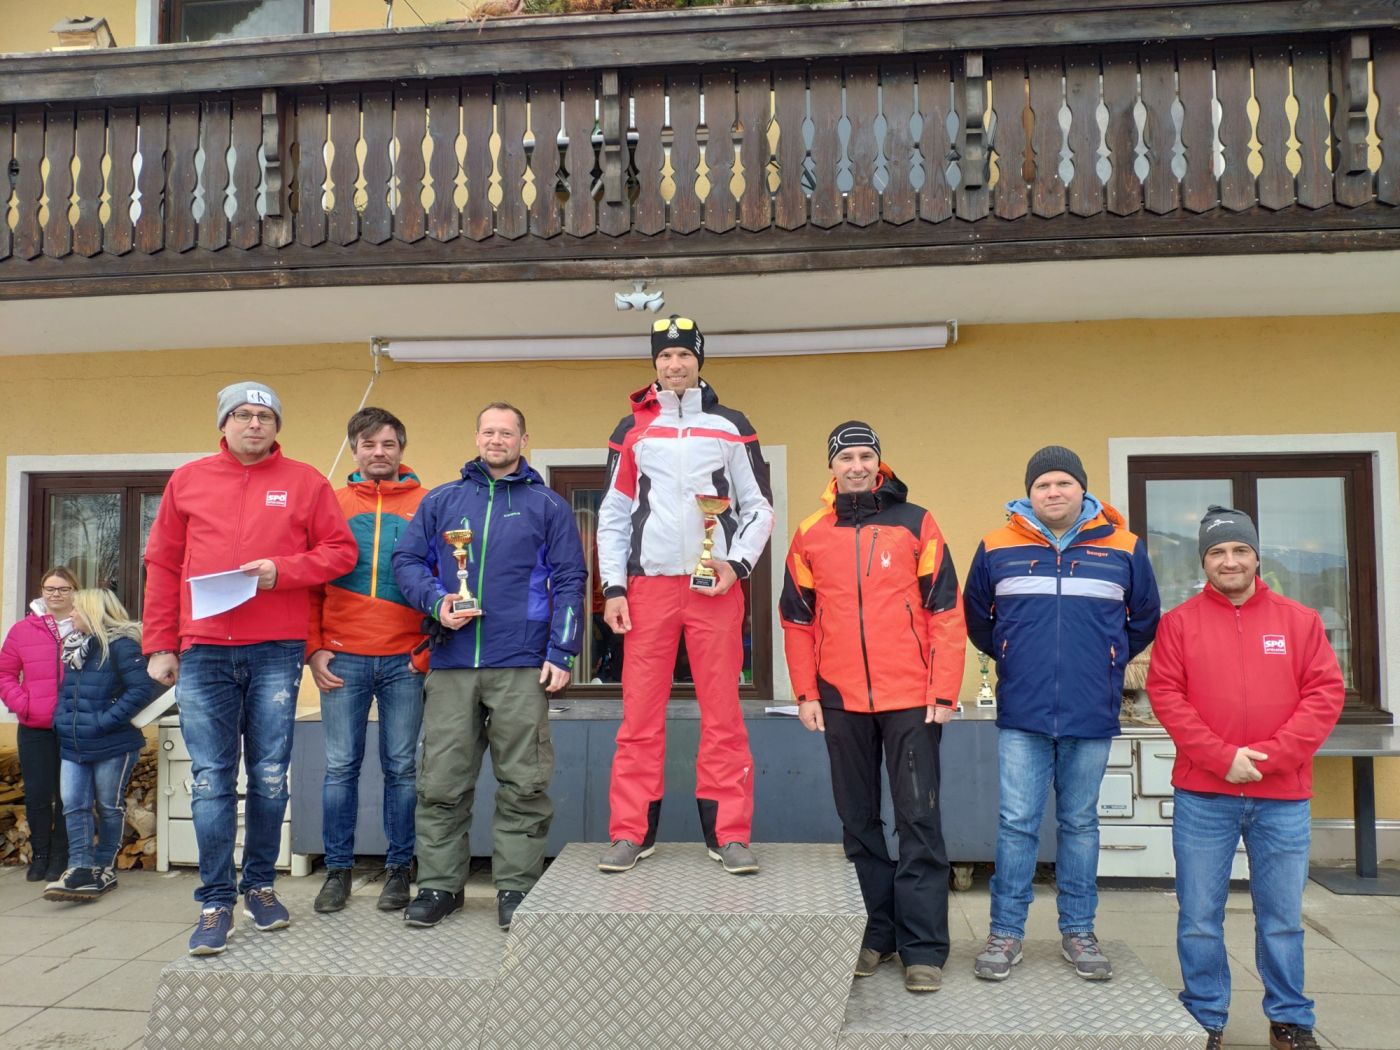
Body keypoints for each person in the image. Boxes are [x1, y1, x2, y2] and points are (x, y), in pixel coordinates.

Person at [143, 381, 357, 956]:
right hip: (203, 649)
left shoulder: (306, 482)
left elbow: (340, 552)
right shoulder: (188, 480)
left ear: (277, 426)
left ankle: (260, 887)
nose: (254, 424)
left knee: (268, 775)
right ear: (224, 423)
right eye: (242, 414)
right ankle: (215, 901)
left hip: (275, 649)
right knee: (212, 777)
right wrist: (159, 643)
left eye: (264, 416)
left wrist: (281, 572)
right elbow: (162, 564)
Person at [1146, 506, 1343, 1050]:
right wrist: (1220, 757)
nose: (1229, 561)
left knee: (1281, 918)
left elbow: (1324, 695)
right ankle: (1205, 1016)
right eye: (1217, 552)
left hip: (1282, 797)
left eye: (1239, 550)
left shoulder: (1299, 621)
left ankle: (1290, 1019)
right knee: (1199, 917)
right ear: (1203, 561)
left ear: (1257, 556)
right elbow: (1167, 696)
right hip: (1204, 795)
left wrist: (1270, 757)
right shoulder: (1178, 624)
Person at [781, 422, 966, 994]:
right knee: (859, 823)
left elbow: (945, 611)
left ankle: (923, 948)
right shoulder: (810, 533)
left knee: (918, 820)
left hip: (911, 699)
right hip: (840, 700)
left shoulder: (916, 522)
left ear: (879, 463)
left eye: (866, 456)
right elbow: (796, 620)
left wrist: (944, 691)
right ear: (832, 467)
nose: (857, 466)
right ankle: (875, 935)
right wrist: (806, 693)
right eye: (847, 457)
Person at [964, 445, 1160, 981]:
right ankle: (1005, 933)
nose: (1053, 492)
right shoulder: (996, 546)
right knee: (1016, 824)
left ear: (1082, 489)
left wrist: (1105, 659)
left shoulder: (1123, 546)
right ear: (1029, 493)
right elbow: (978, 620)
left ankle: (1079, 931)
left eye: (1063, 483)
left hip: (1090, 709)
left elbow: (1144, 618)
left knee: (1080, 824)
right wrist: (1013, 656)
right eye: (1043, 485)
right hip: (1024, 711)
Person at [392, 402, 586, 931]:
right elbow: (406, 562)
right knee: (441, 782)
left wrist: (562, 650)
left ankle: (516, 887)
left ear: (524, 440)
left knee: (524, 782)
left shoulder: (547, 505)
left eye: (506, 432)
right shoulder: (442, 501)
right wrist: (438, 602)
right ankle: (439, 886)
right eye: (488, 431)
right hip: (452, 661)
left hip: (521, 663)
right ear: (477, 438)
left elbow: (570, 578)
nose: (496, 440)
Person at [596, 315, 775, 876]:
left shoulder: (730, 425)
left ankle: (729, 834)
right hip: (648, 588)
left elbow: (758, 506)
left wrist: (737, 564)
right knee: (638, 718)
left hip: (712, 588)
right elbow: (613, 513)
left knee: (723, 715)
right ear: (654, 364)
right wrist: (613, 586)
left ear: (699, 361)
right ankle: (630, 833)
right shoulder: (632, 428)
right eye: (665, 356)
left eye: (684, 356)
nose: (674, 365)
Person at [308, 407, 428, 915]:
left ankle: (399, 870)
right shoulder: (330, 504)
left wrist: (428, 650)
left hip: (406, 660)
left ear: (401, 449)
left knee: (402, 768)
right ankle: (338, 871)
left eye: (388, 444)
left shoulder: (429, 504)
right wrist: (313, 648)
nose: (378, 453)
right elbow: (310, 584)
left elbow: (446, 579)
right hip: (343, 658)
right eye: (368, 444)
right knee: (340, 769)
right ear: (354, 450)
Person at [44, 589, 157, 902]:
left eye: (76, 609)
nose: (70, 615)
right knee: (73, 803)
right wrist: (61, 720)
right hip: (74, 742)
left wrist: (103, 722)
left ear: (93, 612)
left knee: (108, 805)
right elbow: (66, 692)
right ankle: (80, 868)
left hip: (112, 743)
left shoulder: (122, 645)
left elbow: (140, 690)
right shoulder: (75, 647)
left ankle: (104, 867)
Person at [1, 566, 79, 881]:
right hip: (34, 726)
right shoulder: (22, 630)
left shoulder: (85, 626)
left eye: (63, 588)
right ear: (42, 592)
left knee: (68, 795)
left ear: (74, 592)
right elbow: (5, 673)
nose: (56, 594)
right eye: (50, 588)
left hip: (74, 725)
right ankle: (41, 854)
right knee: (37, 794)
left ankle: (61, 855)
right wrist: (23, 705)